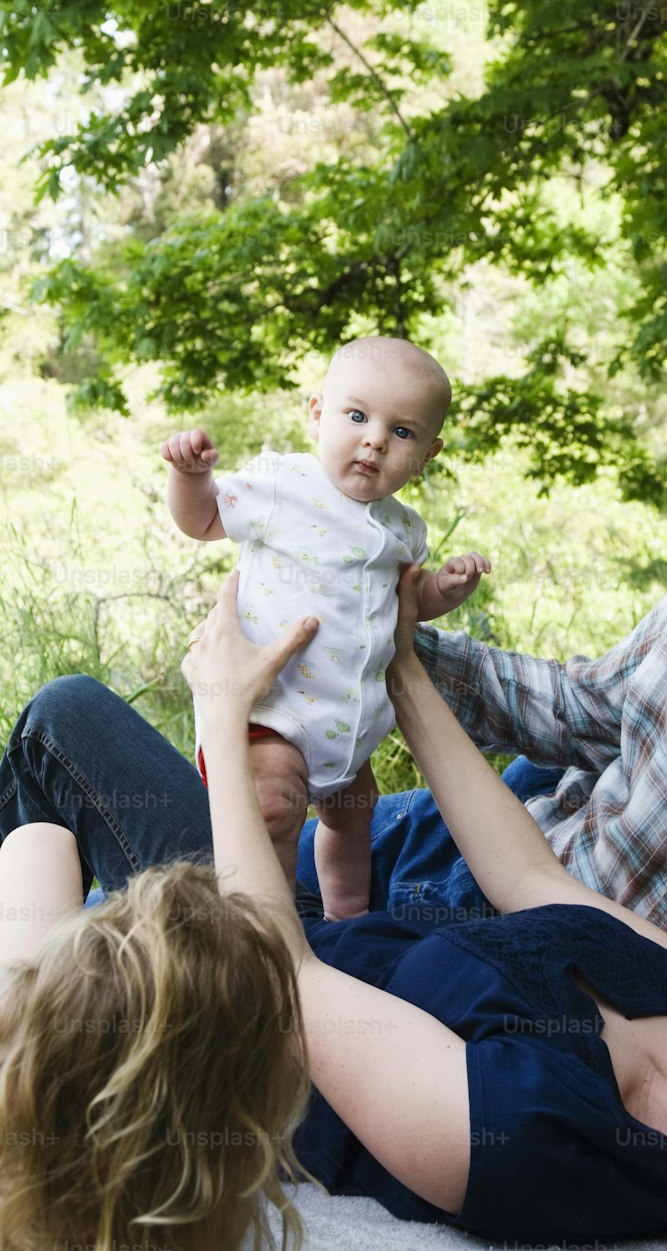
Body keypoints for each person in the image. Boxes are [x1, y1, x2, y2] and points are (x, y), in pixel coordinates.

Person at [0, 569, 667, 1249]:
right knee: (49, 800)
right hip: (319, 933)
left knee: (62, 726)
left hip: (225, 1002)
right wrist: (403, 664)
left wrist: (219, 707)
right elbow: (534, 881)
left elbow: (279, 970)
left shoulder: (524, 1137)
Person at [290, 462, 667, 1020]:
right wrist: (363, 637)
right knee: (220, 856)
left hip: (547, 1035)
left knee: (250, 990)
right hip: (469, 861)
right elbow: (578, 710)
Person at [160, 334, 489, 918]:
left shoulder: (404, 528)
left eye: (403, 432)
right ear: (317, 414)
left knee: (355, 812)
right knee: (275, 810)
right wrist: (189, 478)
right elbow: (204, 519)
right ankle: (272, 930)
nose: (375, 440)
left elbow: (409, 601)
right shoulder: (285, 485)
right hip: (271, 709)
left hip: (345, 723)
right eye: (357, 416)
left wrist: (449, 587)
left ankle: (346, 920)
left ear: (428, 454)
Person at [0, 828, 309, 1250]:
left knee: (37, 842)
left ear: (7, 1020)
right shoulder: (171, 1219)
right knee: (42, 842)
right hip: (1, 1111)